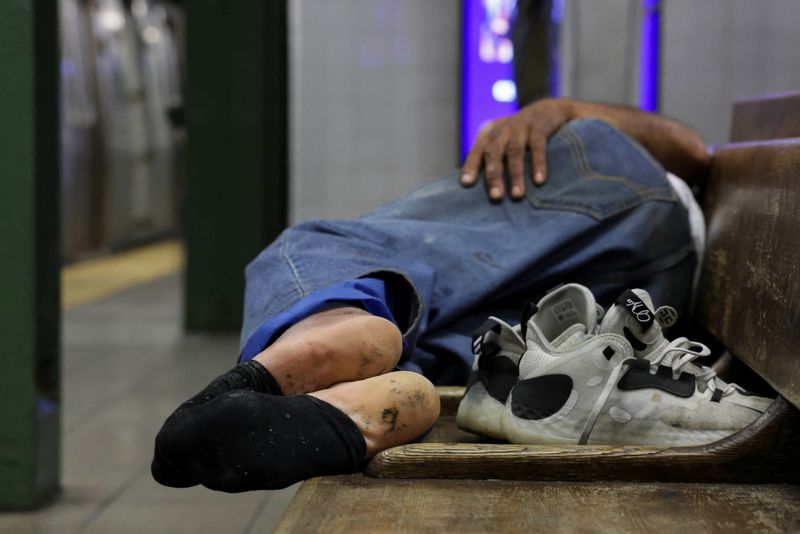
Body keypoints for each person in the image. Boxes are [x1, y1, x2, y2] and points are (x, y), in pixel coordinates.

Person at [151, 98, 710, 493]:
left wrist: (563, 109)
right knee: (457, 347)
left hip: (628, 208)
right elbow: (697, 154)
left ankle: (330, 325)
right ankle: (353, 403)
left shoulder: (607, 159)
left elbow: (693, 152)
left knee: (330, 246)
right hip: (627, 313)